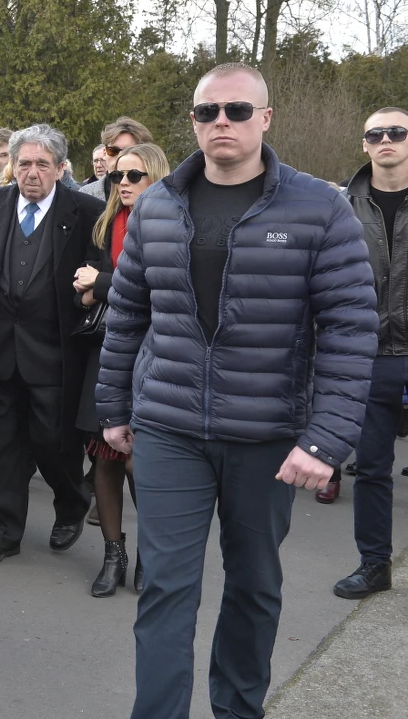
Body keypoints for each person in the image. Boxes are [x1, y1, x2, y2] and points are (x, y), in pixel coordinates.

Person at [97, 62, 377, 719]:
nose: (221, 121)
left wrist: (325, 440)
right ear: (193, 121)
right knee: (165, 588)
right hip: (169, 428)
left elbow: (350, 327)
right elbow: (128, 314)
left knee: (253, 586)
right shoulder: (158, 204)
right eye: (208, 111)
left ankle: (238, 710)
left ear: (265, 118)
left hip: (268, 436)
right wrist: (113, 407)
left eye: (238, 110)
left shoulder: (318, 207)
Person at [0, 123, 104, 566]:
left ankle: (72, 501)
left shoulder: (86, 211)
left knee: (53, 444)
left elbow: (97, 271)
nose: (31, 173)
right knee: (1, 448)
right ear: (11, 167)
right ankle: (1, 533)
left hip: (53, 354)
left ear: (60, 168)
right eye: (24, 164)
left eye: (42, 164)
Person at [71, 143, 170, 597]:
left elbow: (158, 289)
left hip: (157, 353)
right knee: (104, 458)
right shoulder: (105, 223)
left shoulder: (173, 223)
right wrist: (92, 288)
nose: (123, 184)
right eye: (117, 176)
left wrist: (102, 284)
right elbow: (80, 288)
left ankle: (151, 554)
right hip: (106, 349)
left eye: (134, 176)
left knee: (138, 461)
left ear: (156, 177)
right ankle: (114, 554)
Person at [334, 105, 408, 598]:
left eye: (396, 132)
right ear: (364, 144)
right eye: (376, 134)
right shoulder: (343, 206)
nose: (386, 140)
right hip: (371, 353)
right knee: (372, 469)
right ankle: (374, 564)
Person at [77, 117, 154, 201]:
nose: (120, 157)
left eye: (127, 151)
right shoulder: (85, 195)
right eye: (113, 151)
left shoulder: (156, 194)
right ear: (104, 152)